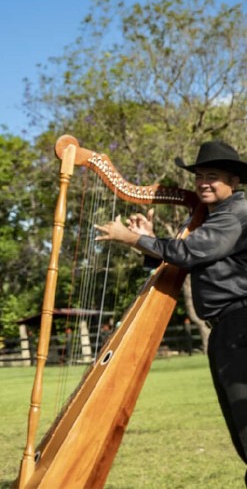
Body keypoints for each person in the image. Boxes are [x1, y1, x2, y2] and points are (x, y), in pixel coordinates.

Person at [94, 139, 247, 485]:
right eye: (199, 176)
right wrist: (148, 239)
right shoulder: (213, 218)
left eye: (213, 176)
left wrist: (132, 239)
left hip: (240, 327)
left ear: (233, 181)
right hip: (228, 331)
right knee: (239, 429)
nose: (203, 183)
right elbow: (180, 259)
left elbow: (190, 253)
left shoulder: (236, 215)